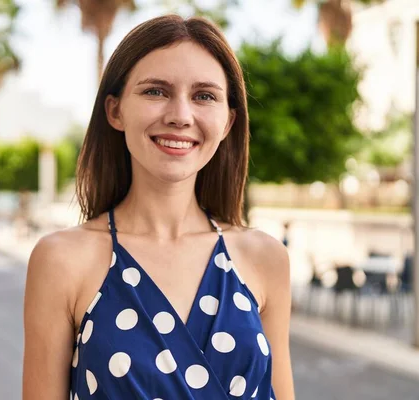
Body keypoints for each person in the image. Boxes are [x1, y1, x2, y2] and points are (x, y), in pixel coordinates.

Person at [23, 14, 294, 400]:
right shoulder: (62, 260)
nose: (180, 116)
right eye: (156, 91)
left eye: (204, 96)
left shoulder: (265, 258)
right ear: (115, 111)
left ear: (229, 121)